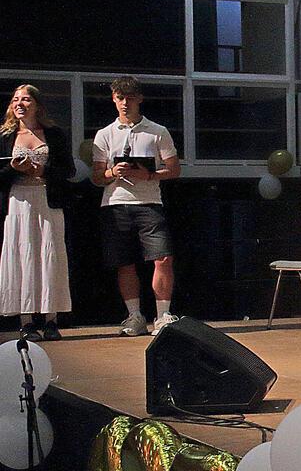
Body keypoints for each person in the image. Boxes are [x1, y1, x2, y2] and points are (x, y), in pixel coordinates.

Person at [91, 76, 181, 336]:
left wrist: (151, 175)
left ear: (140, 99)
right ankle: (134, 317)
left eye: (130, 98)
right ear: (113, 99)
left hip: (150, 202)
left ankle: (163, 315)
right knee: (125, 262)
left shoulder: (157, 131)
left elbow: (174, 169)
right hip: (116, 203)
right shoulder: (104, 134)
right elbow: (97, 176)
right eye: (120, 98)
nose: (125, 103)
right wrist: (112, 172)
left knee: (163, 257)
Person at [0, 85, 74, 340]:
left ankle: (51, 320)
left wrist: (41, 172)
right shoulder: (6, 136)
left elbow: (68, 171)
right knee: (23, 257)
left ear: (37, 105)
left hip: (47, 199)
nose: (20, 103)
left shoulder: (54, 134)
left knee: (49, 255)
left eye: (26, 99)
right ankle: (27, 321)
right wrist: (14, 169)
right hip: (18, 202)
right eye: (15, 99)